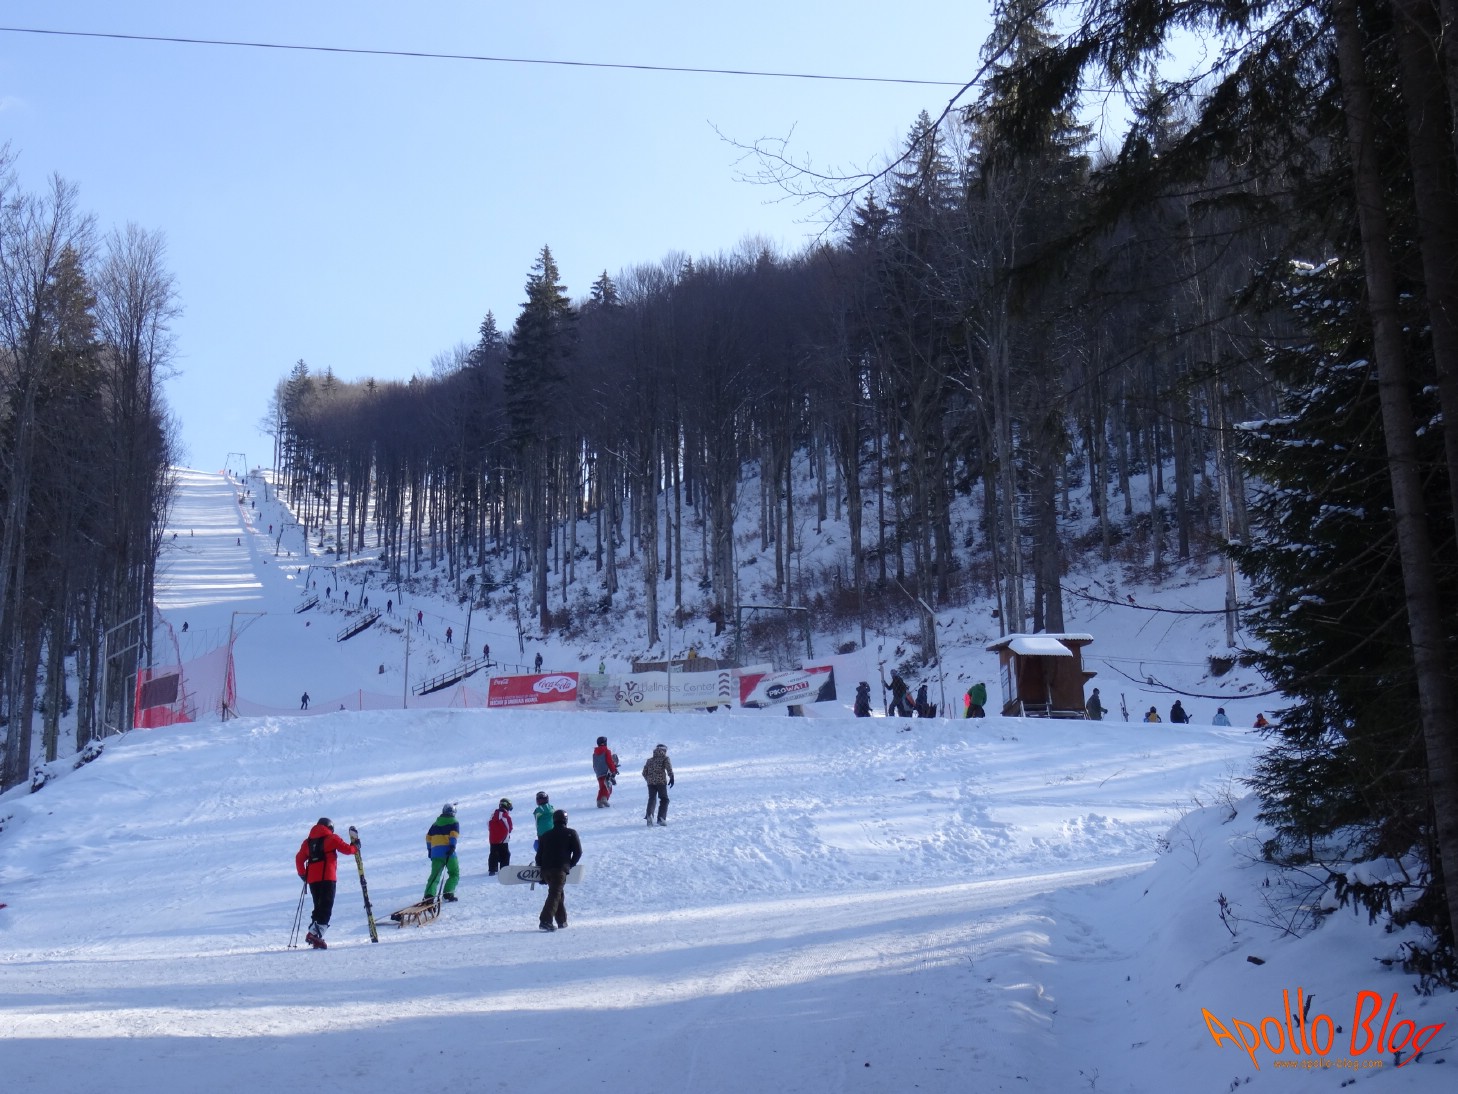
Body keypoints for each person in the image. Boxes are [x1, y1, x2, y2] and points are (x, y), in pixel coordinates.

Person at [294, 817, 358, 949]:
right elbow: (347, 849)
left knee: (318, 906)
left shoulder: (307, 842)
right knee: (326, 906)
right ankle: (314, 934)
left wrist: (303, 875)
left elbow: (299, 859)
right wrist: (356, 847)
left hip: (312, 880)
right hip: (328, 877)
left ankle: (314, 933)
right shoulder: (331, 838)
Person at [534, 809, 582, 932]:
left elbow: (538, 856)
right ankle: (545, 920)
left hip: (546, 870)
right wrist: (570, 865)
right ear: (566, 820)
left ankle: (562, 921)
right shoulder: (571, 833)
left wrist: (541, 872)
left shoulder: (546, 835)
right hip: (559, 869)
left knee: (557, 892)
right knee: (555, 894)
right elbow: (578, 852)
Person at [423, 803, 460, 903]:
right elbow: (453, 835)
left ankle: (429, 895)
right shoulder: (454, 822)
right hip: (449, 853)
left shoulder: (435, 824)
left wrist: (430, 850)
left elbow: (428, 838)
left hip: (436, 853)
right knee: (454, 873)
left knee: (435, 875)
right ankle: (448, 893)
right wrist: (452, 846)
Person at [642, 743, 674, 826]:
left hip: (650, 783)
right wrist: (671, 777)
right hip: (661, 782)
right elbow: (668, 768)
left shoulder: (649, 760)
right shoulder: (665, 758)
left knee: (652, 798)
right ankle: (661, 818)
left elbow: (644, 772)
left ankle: (649, 815)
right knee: (664, 799)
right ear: (664, 750)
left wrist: (648, 779)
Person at [487, 798, 513, 876]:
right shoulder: (505, 815)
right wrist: (507, 833)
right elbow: (509, 826)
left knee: (493, 854)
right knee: (505, 854)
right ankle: (504, 869)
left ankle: (492, 869)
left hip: (493, 839)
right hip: (503, 840)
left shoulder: (493, 814)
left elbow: (489, 824)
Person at [592, 736, 619, 807]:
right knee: (608, 787)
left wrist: (597, 771)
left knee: (602, 787)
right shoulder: (607, 751)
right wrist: (613, 770)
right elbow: (609, 762)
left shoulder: (594, 754)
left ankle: (599, 801)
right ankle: (604, 799)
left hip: (599, 773)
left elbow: (594, 764)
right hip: (606, 772)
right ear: (604, 743)